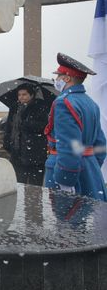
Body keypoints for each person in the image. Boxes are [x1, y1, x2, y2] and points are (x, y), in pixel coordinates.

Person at [44, 53, 107, 200]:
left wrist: (65, 179)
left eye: (58, 76)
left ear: (67, 78)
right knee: (92, 213)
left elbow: (68, 145)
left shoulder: (63, 102)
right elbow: (101, 144)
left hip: (68, 172)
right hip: (90, 170)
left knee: (68, 214)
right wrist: (90, 165)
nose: (56, 80)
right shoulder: (91, 103)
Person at [3, 84, 49, 185]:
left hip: (35, 153)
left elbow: (44, 126)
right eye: (19, 95)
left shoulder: (40, 107)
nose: (21, 97)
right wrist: (7, 143)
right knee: (18, 183)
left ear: (31, 95)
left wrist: (26, 123)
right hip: (17, 152)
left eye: (24, 94)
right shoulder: (14, 108)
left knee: (35, 185)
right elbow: (9, 127)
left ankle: (34, 196)